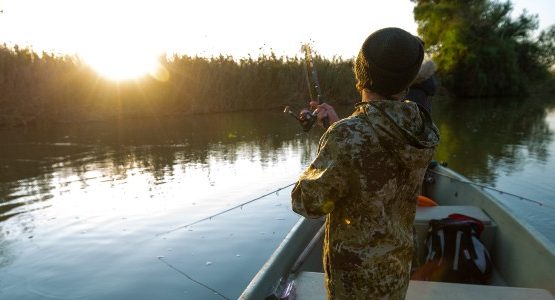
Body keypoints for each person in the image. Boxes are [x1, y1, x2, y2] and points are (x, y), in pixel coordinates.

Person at [291, 27, 440, 299]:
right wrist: (338, 129)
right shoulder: (422, 128)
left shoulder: (347, 136)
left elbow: (307, 203)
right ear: (407, 82)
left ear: (359, 72)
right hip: (396, 271)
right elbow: (379, 147)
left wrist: (332, 141)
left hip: (354, 281)